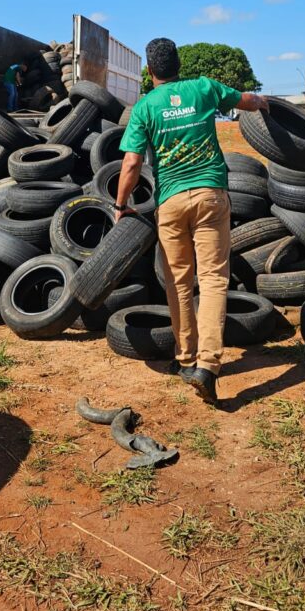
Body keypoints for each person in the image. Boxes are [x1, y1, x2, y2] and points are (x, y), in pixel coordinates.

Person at [117, 38, 269, 405]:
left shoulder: (144, 108)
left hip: (169, 203)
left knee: (179, 281)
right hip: (210, 196)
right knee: (215, 279)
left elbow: (132, 164)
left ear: (150, 71)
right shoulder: (204, 88)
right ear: (178, 65)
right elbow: (245, 101)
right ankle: (208, 366)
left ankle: (186, 359)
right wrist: (263, 101)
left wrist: (120, 204)